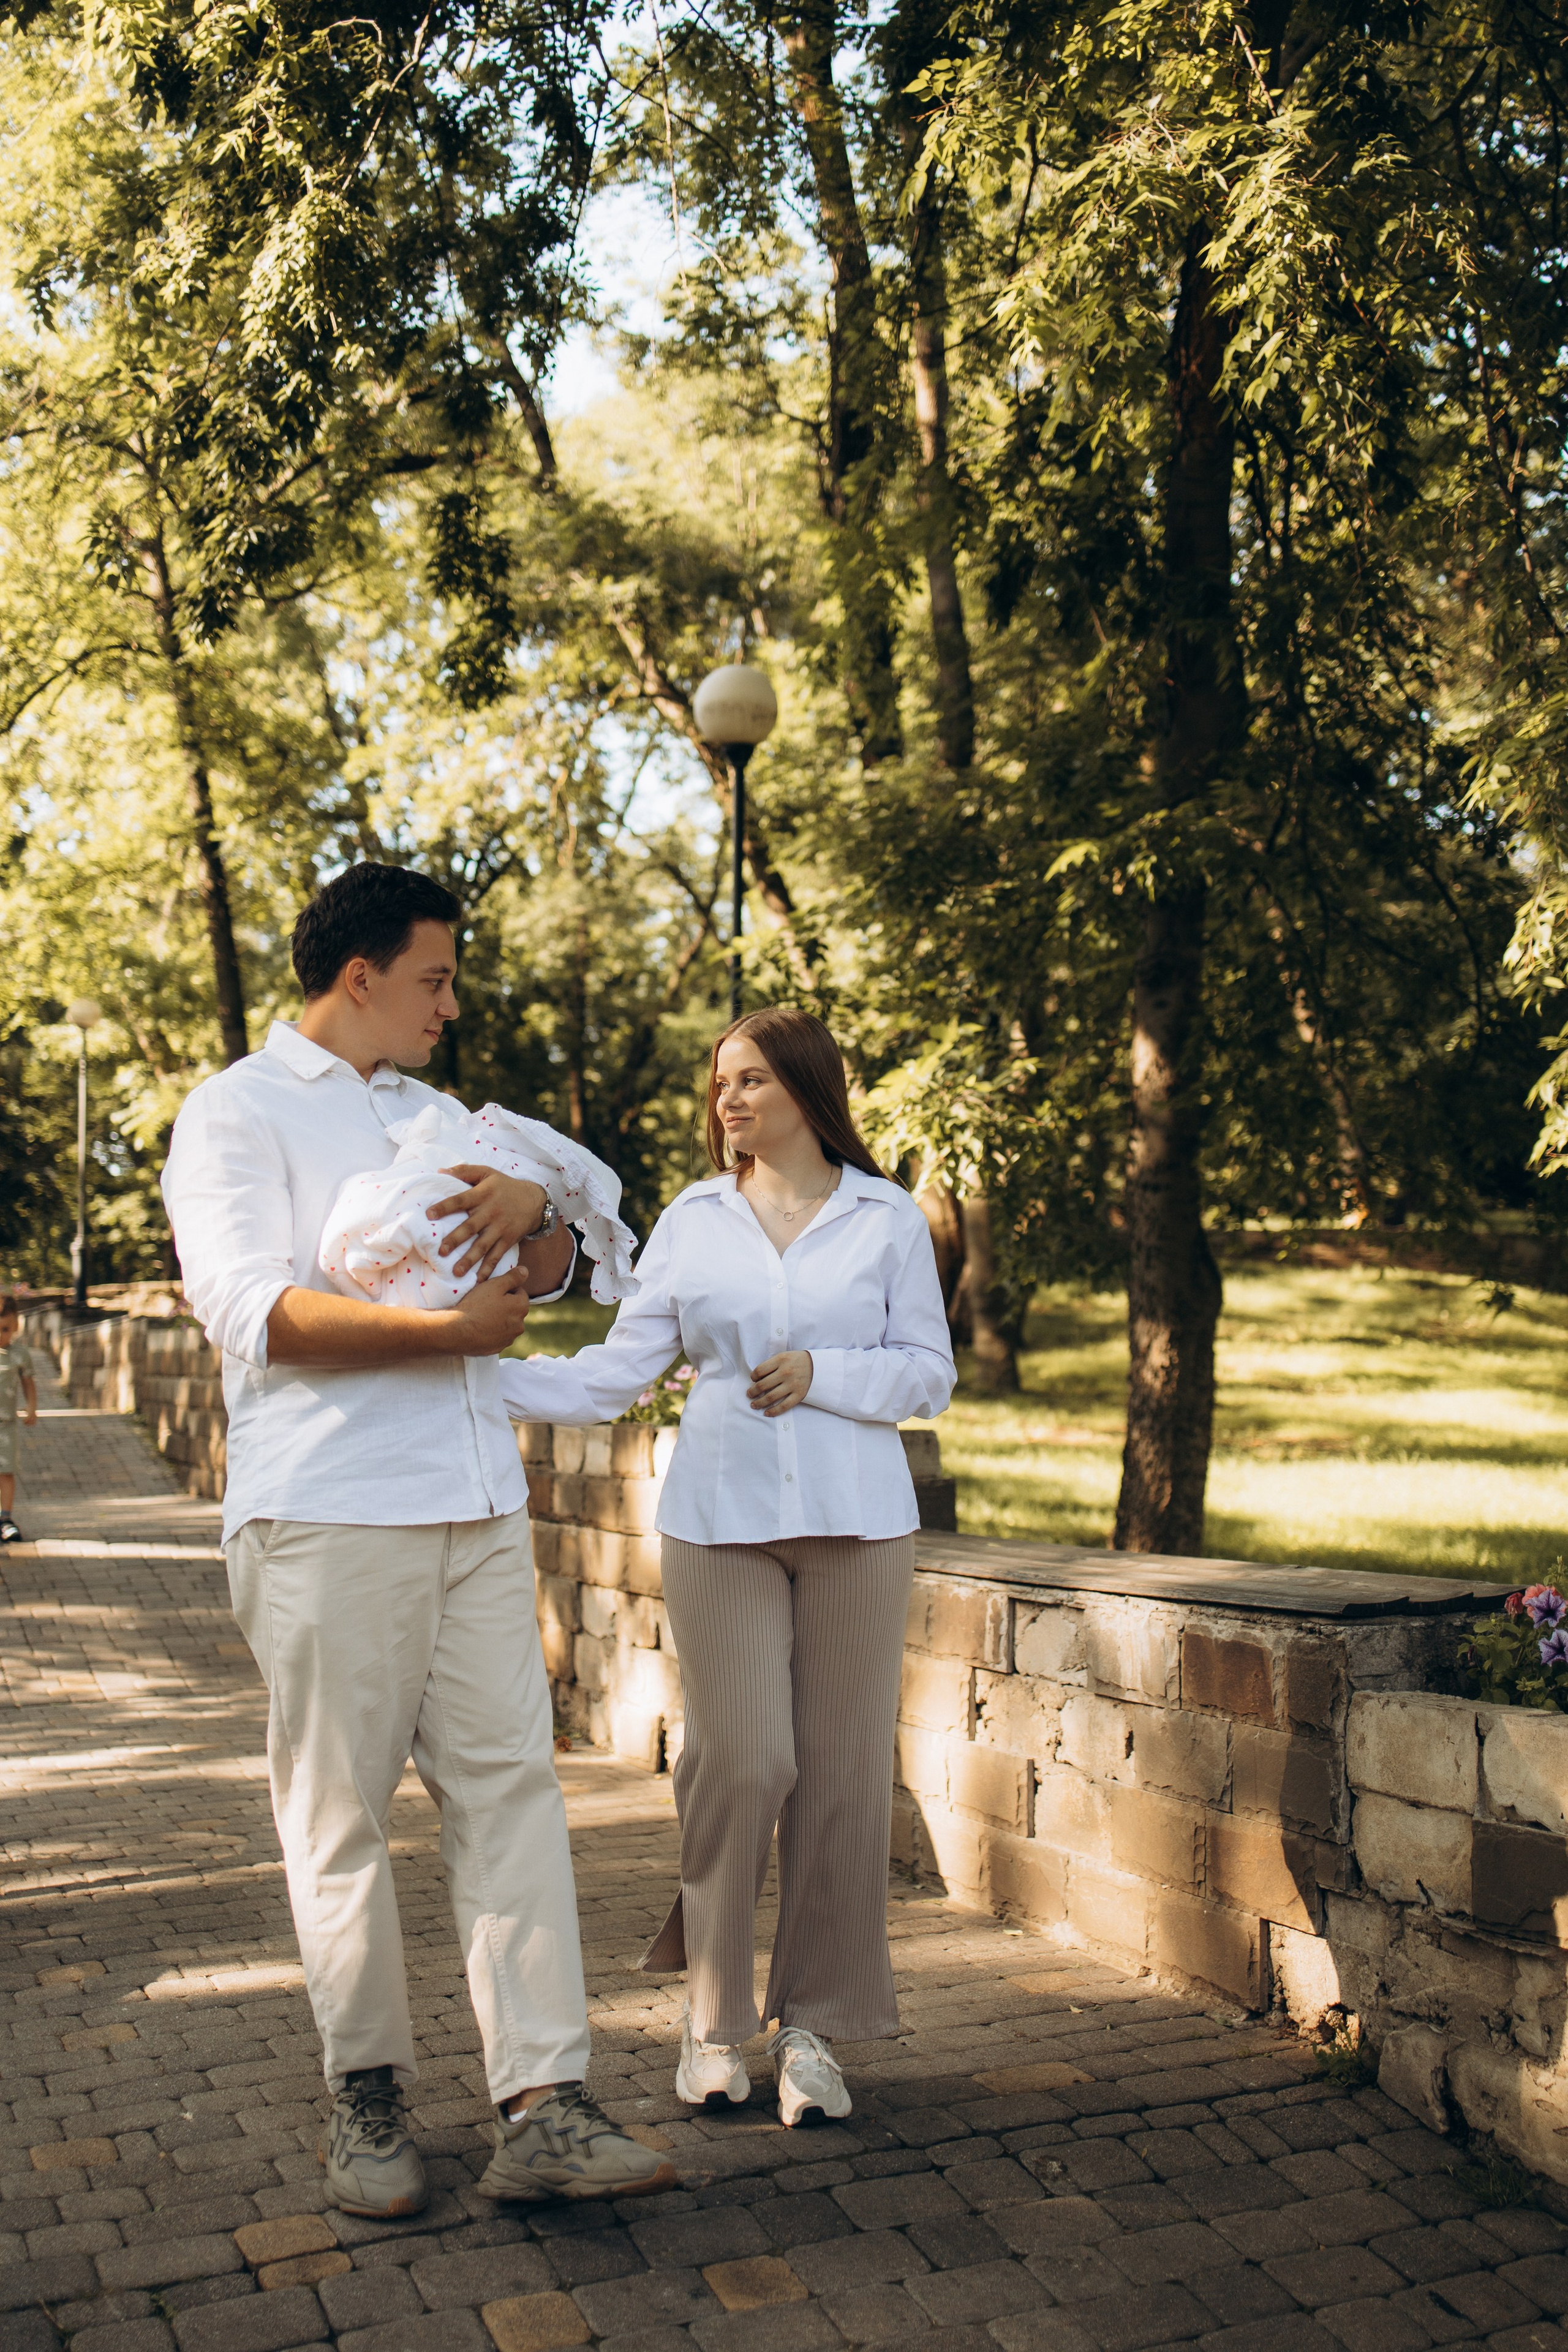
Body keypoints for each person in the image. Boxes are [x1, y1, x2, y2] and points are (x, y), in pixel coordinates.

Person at [161, 862, 675, 2217]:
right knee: (337, 1819)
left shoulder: (444, 1115)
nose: (452, 1004)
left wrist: (540, 1222)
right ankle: (367, 2105)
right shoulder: (234, 1114)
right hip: (327, 1507)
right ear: (360, 977)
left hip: (476, 1505)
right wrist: (443, 1334)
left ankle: (545, 2106)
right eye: (436, 979)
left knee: (512, 1794)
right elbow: (251, 1310)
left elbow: (547, 1272)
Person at [500, 1007, 956, 2127]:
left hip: (858, 1521)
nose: (730, 1101)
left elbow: (928, 1375)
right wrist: (472, 1375)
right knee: (744, 1761)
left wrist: (825, 1372)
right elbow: (616, 1373)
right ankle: (710, 2021)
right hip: (718, 1519)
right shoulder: (694, 1220)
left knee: (844, 1775)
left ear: (807, 1087)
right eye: (722, 1084)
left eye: (751, 1080)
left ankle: (811, 2029)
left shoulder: (886, 1215)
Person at [0, 1296, 39, 1544]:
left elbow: (28, 1383)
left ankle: (6, 1519)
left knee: (6, 1471)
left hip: (6, 1425)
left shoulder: (19, 1355)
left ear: (15, 1327)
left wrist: (32, 1407)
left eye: (5, 1329)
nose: (1, 1335)